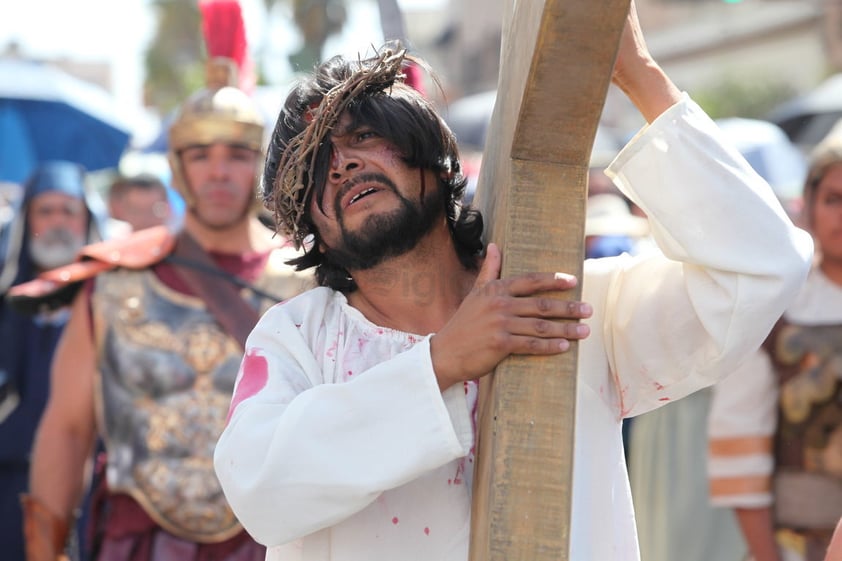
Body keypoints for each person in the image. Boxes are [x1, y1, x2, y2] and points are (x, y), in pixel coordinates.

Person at [213, 2, 813, 560]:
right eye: (317, 166)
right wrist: (442, 363)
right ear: (308, 223)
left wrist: (636, 72)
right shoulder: (295, 338)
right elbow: (258, 491)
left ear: (435, 155)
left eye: (365, 136)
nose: (341, 164)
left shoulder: (570, 307)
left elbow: (761, 268)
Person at [13, 45, 315, 561]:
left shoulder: (308, 284)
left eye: (237, 155)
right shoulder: (114, 282)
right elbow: (67, 427)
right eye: (201, 155)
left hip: (271, 544)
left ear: (260, 164)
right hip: (138, 543)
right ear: (177, 168)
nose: (218, 172)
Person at [708, 120, 842, 561]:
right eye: (834, 200)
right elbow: (739, 440)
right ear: (810, 207)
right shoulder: (779, 306)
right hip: (800, 544)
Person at [0, 161, 100, 561]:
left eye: (69, 211)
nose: (58, 222)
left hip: (91, 488)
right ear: (27, 220)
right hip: (7, 487)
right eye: (46, 210)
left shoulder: (116, 307)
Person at [105, 174, 173, 235]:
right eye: (137, 212)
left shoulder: (181, 244)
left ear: (169, 208)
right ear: (122, 211)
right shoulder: (113, 245)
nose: (146, 219)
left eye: (155, 210)